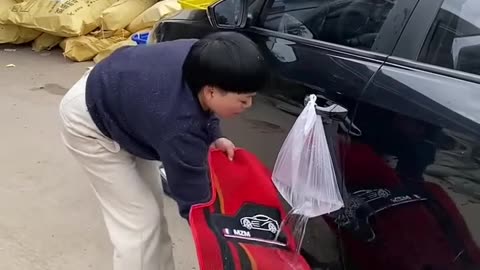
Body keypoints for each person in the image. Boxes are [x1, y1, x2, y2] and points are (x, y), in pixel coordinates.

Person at [58, 31, 268, 270]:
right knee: (139, 223)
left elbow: (201, 108)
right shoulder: (179, 127)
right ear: (211, 91)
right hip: (89, 123)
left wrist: (215, 136)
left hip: (124, 99)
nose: (249, 106)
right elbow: (194, 202)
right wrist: (228, 246)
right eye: (243, 100)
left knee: (152, 212)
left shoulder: (206, 57)